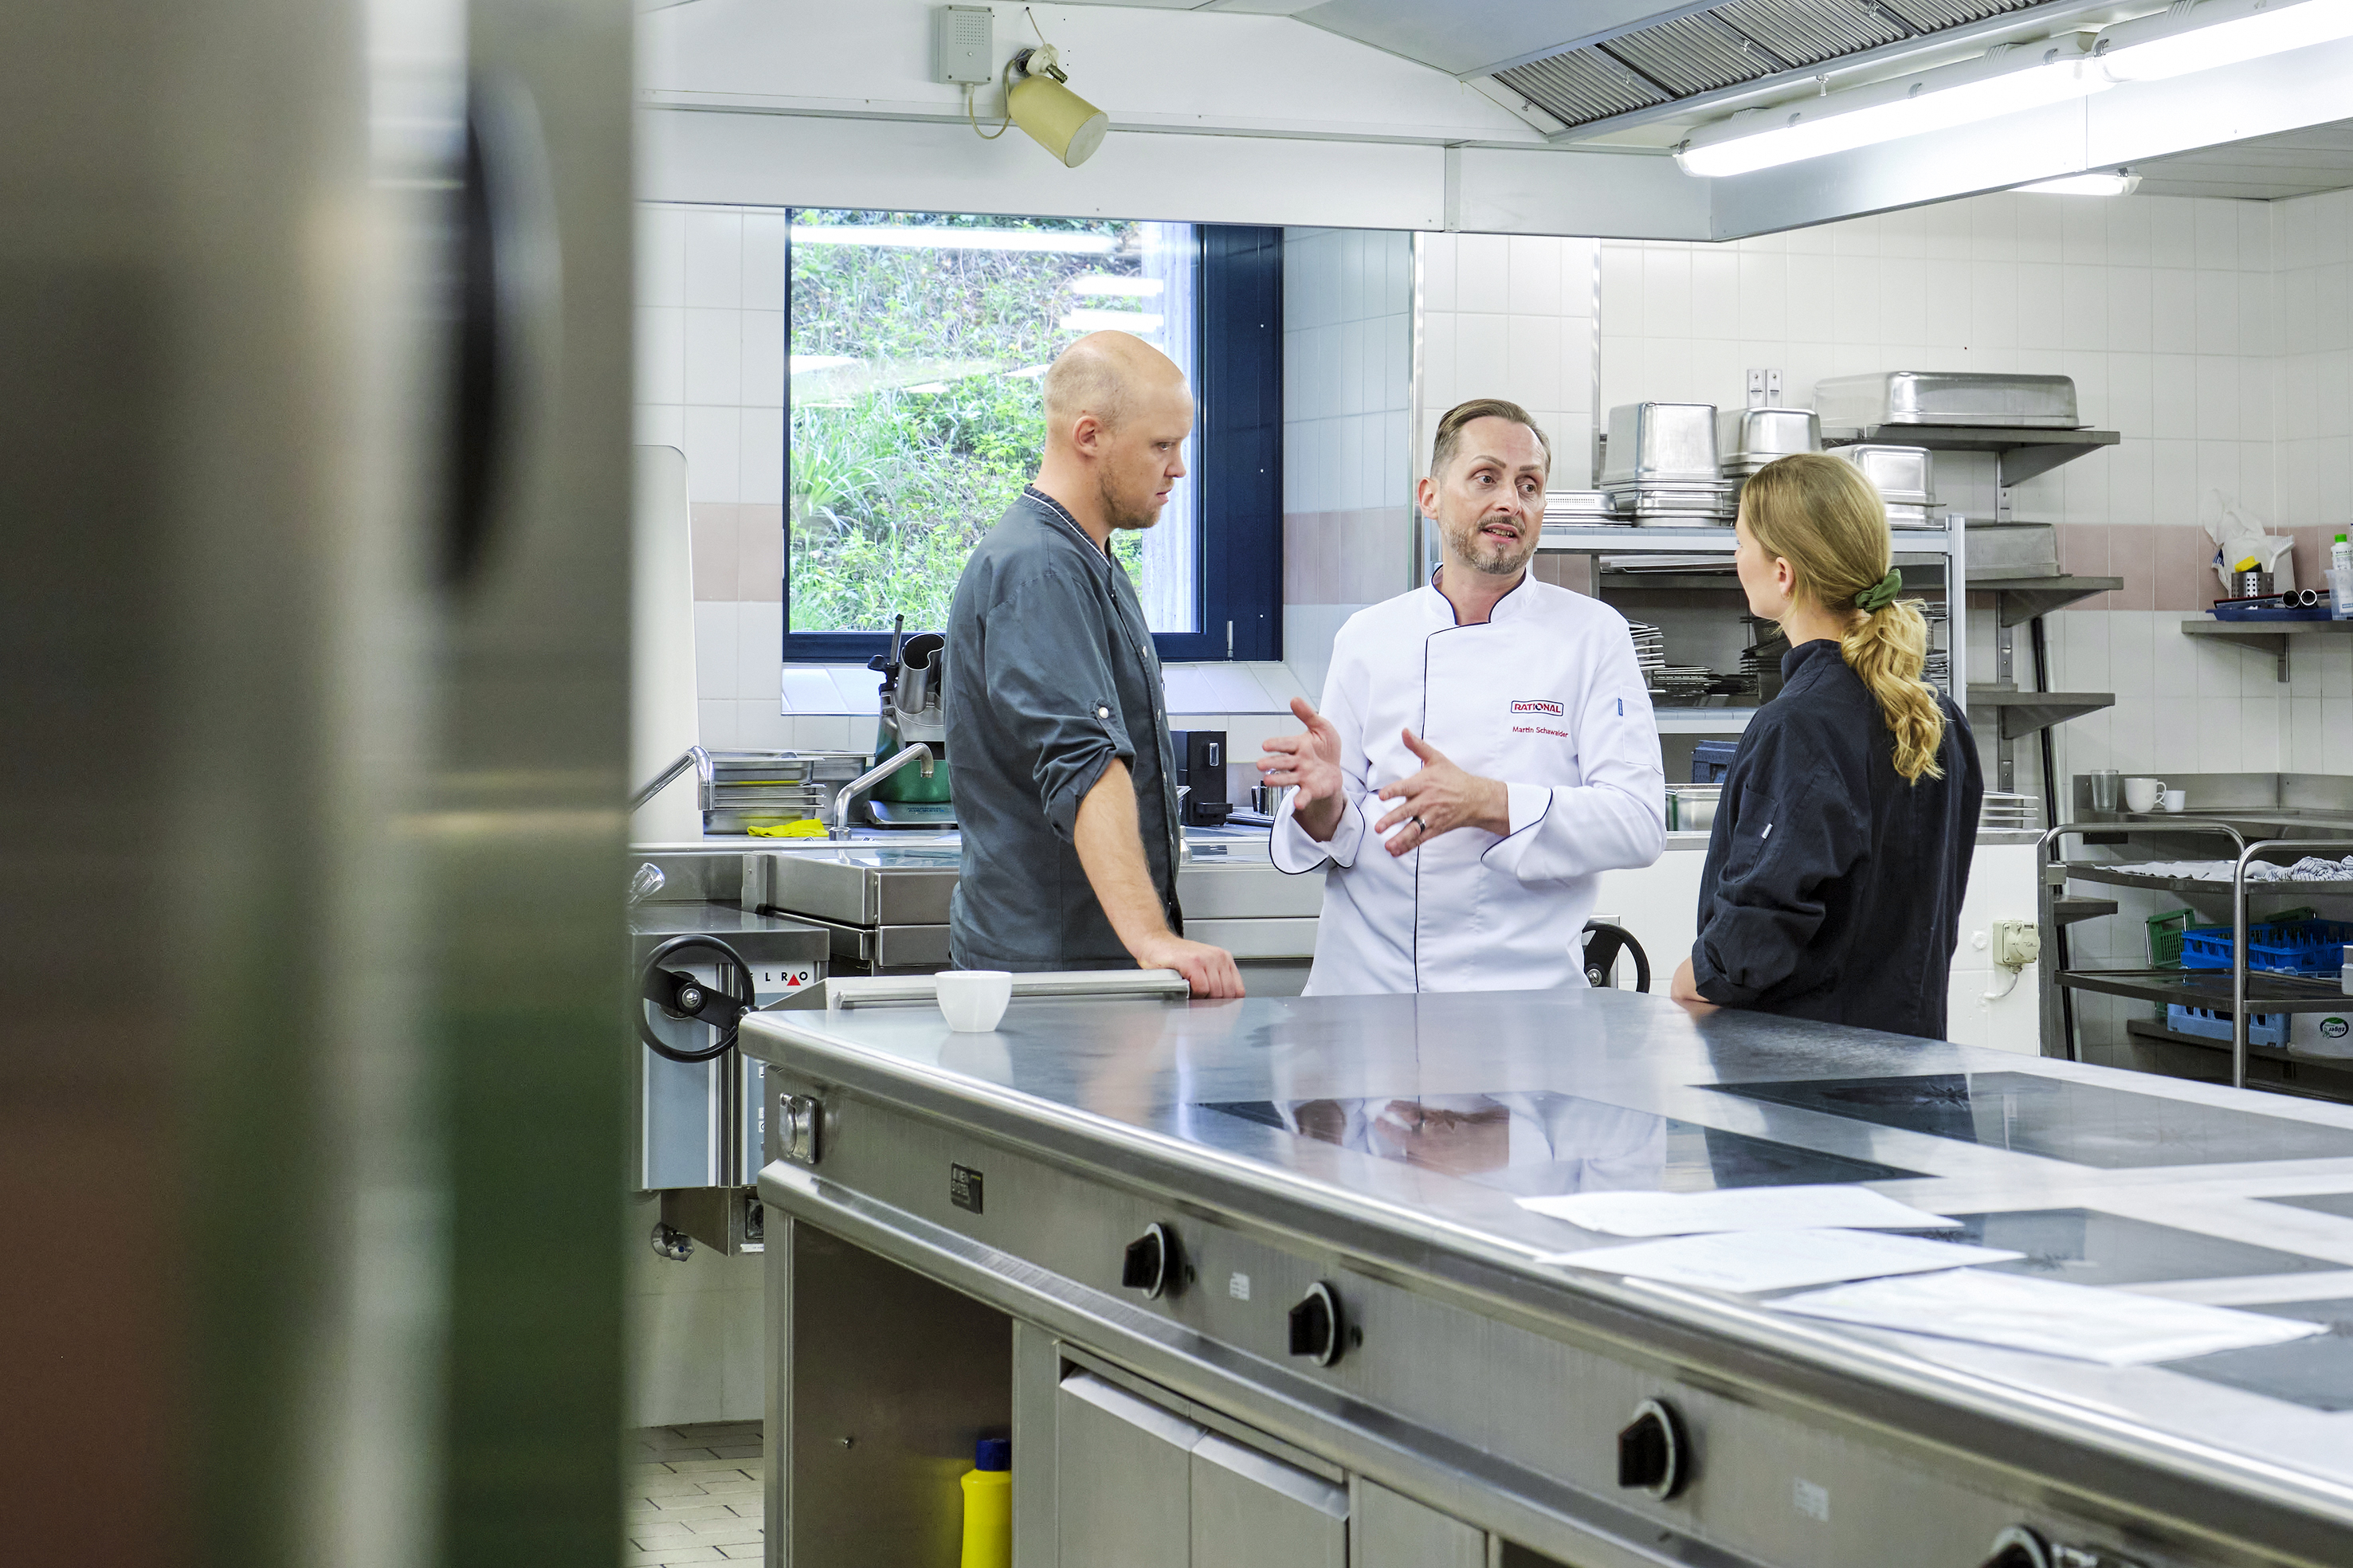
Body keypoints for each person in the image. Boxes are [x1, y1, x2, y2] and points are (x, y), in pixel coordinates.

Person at [1255, 398, 1666, 994]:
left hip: (1518, 1006)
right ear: (1429, 497)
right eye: (1485, 477)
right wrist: (1319, 802)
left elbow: (1637, 822)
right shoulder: (1368, 637)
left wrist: (1486, 801)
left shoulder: (1592, 635)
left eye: (1529, 485)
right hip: (1367, 1000)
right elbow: (1335, 822)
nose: (1510, 502)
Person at [943, 331, 1243, 998]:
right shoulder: (1040, 567)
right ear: (1089, 436)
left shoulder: (1089, 558)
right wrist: (1152, 938)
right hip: (1053, 974)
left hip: (1087, 964)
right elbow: (1084, 761)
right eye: (1161, 445)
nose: (1179, 469)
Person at [1669, 452, 1983, 1038]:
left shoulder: (1797, 725)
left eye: (1739, 543)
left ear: (1782, 573)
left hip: (1807, 1090)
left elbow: (1757, 935)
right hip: (1914, 1076)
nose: (1734, 560)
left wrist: (1696, 975)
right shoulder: (1937, 716)